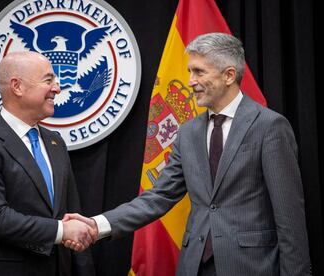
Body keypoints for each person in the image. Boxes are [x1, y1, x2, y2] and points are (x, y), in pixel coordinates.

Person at [64, 33, 311, 276]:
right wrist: (98, 225)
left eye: (199, 72)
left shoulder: (269, 126)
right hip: (194, 265)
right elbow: (159, 196)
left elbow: (289, 218)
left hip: (251, 266)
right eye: (190, 71)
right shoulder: (188, 132)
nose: (190, 81)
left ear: (229, 75)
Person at [0, 51, 95, 276]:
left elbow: (72, 212)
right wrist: (62, 231)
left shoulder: (55, 142)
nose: (57, 88)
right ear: (17, 86)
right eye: (48, 80)